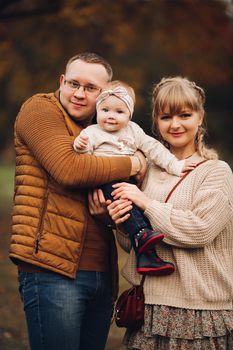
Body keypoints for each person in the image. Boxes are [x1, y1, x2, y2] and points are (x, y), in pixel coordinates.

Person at [9, 52, 146, 350]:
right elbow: (69, 169)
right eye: (74, 84)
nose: (80, 94)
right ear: (62, 81)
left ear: (105, 94)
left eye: (91, 88)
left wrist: (106, 216)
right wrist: (134, 163)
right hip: (52, 270)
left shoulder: (102, 131)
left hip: (100, 271)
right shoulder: (40, 109)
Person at [105, 77, 233, 349]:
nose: (175, 125)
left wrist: (145, 203)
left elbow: (200, 230)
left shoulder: (216, 172)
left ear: (200, 117)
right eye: (166, 117)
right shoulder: (146, 169)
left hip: (199, 310)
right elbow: (132, 244)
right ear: (156, 121)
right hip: (149, 309)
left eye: (184, 115)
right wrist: (120, 223)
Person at [74, 79, 196, 276]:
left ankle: (148, 259)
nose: (111, 116)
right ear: (97, 110)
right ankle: (141, 233)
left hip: (127, 180)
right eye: (105, 110)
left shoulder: (133, 130)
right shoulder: (92, 132)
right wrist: (80, 146)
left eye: (119, 112)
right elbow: (83, 161)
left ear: (129, 114)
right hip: (105, 179)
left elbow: (154, 148)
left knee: (135, 207)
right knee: (126, 204)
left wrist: (175, 165)